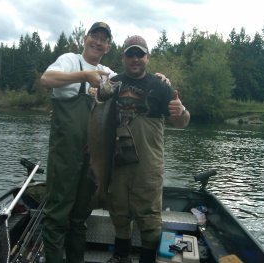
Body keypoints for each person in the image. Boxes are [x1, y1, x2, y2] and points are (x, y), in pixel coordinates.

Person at [106, 35, 190, 263]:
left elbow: (182, 123)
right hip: (118, 161)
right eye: (130, 54)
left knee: (149, 215)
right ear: (123, 57)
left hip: (149, 163)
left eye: (139, 54)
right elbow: (95, 112)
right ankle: (121, 256)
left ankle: (146, 258)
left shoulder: (160, 85)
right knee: (119, 211)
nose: (135, 59)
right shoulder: (113, 83)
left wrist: (181, 110)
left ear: (147, 57)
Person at [40, 22, 116, 263]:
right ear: (85, 38)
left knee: (79, 218)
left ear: (108, 46)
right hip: (65, 155)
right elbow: (47, 79)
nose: (98, 41)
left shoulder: (109, 74)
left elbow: (132, 86)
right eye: (94, 35)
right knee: (57, 215)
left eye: (103, 39)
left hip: (93, 158)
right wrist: (84, 75)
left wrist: (161, 79)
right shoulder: (69, 60)